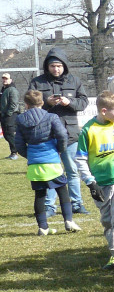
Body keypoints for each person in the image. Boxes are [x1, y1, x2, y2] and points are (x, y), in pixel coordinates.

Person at [76, 90, 114, 269]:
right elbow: (80, 159)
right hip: (100, 184)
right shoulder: (88, 130)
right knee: (108, 221)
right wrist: (90, 182)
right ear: (103, 111)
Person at [28, 47, 89, 214]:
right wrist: (46, 103)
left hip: (69, 135)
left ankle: (77, 203)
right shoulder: (37, 82)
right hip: (46, 136)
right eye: (53, 65)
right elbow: (30, 103)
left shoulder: (74, 81)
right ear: (47, 66)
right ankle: (49, 206)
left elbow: (83, 102)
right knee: (49, 173)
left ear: (64, 66)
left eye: (59, 66)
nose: (56, 69)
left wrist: (69, 103)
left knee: (72, 171)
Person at [15, 89, 80, 235]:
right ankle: (68, 220)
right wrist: (59, 149)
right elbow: (62, 134)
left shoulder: (20, 119)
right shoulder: (51, 116)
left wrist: (30, 155)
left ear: (26, 104)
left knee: (40, 195)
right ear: (42, 102)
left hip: (34, 164)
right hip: (52, 161)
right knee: (62, 190)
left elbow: (18, 144)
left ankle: (43, 227)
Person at [1, 73, 19, 159]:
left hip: (10, 116)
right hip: (4, 115)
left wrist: (8, 113)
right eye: (3, 78)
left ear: (11, 80)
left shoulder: (12, 90)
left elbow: (14, 104)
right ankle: (13, 152)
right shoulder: (4, 89)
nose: (4, 80)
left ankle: (15, 153)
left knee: (10, 134)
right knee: (6, 135)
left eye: (6, 78)